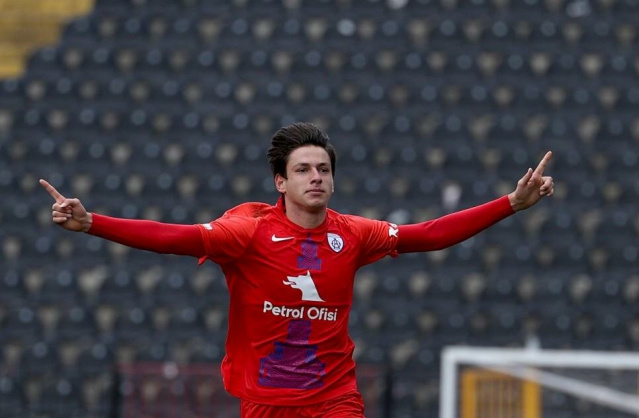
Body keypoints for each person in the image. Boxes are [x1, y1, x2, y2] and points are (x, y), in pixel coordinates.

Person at [41, 122, 554, 418]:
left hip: (335, 397)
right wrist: (93, 223)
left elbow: (430, 234)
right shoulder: (247, 231)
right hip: (265, 401)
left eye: (323, 169)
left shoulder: (354, 233)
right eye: (303, 169)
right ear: (280, 182)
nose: (316, 177)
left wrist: (510, 203)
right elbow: (174, 238)